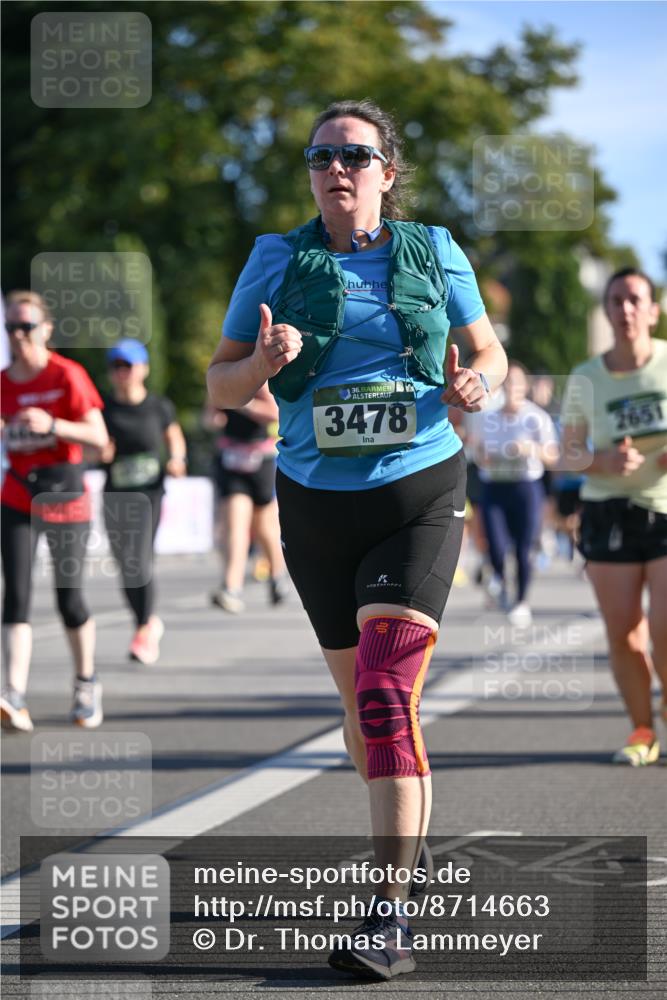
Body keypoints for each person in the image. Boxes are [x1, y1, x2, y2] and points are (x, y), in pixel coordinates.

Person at [207, 99, 507, 980]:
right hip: (312, 502)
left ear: (385, 170)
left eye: (353, 154)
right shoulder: (275, 257)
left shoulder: (435, 250)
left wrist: (478, 386)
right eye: (319, 155)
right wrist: (260, 367)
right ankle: (402, 813)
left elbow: (486, 352)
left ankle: (389, 917)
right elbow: (221, 387)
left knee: (383, 696)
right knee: (362, 712)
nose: (335, 168)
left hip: (418, 487)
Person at [560, 267, 667, 766]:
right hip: (608, 511)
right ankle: (642, 729)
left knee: (664, 628)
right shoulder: (586, 377)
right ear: (606, 311)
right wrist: (602, 460)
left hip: (664, 505)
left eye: (634, 299)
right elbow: (568, 452)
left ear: (653, 310)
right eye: (616, 300)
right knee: (624, 633)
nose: (625, 309)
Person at [0, 290, 108, 731]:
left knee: (69, 597)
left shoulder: (68, 375)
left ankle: (86, 684)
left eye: (26, 326)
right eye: (11, 327)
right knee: (17, 594)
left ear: (46, 330)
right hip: (16, 495)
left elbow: (99, 438)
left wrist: (53, 424)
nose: (18, 335)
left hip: (63, 493)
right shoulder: (4, 382)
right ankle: (14, 696)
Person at [99, 338, 187, 665]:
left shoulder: (158, 406)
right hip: (116, 493)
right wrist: (99, 451)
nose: (121, 373)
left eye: (127, 366)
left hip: (149, 492)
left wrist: (177, 458)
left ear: (143, 369)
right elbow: (94, 444)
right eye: (116, 366)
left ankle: (144, 628)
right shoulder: (103, 408)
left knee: (139, 556)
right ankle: (144, 622)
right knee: (125, 564)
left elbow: (173, 437)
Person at [470, 361, 558, 627]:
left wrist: (530, 449)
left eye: (518, 382)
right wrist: (486, 457)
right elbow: (478, 452)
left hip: (526, 488)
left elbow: (553, 456)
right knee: (495, 546)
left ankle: (520, 601)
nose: (512, 388)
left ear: (526, 386)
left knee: (523, 549)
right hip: (495, 487)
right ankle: (498, 578)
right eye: (507, 383)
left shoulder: (536, 417)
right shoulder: (488, 418)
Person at [206, 386, 288, 614]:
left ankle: (276, 576)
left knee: (264, 527)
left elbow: (275, 413)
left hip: (260, 458)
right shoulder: (221, 374)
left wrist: (244, 405)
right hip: (231, 459)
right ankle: (231, 587)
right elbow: (209, 416)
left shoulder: (258, 379)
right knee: (235, 523)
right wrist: (215, 418)